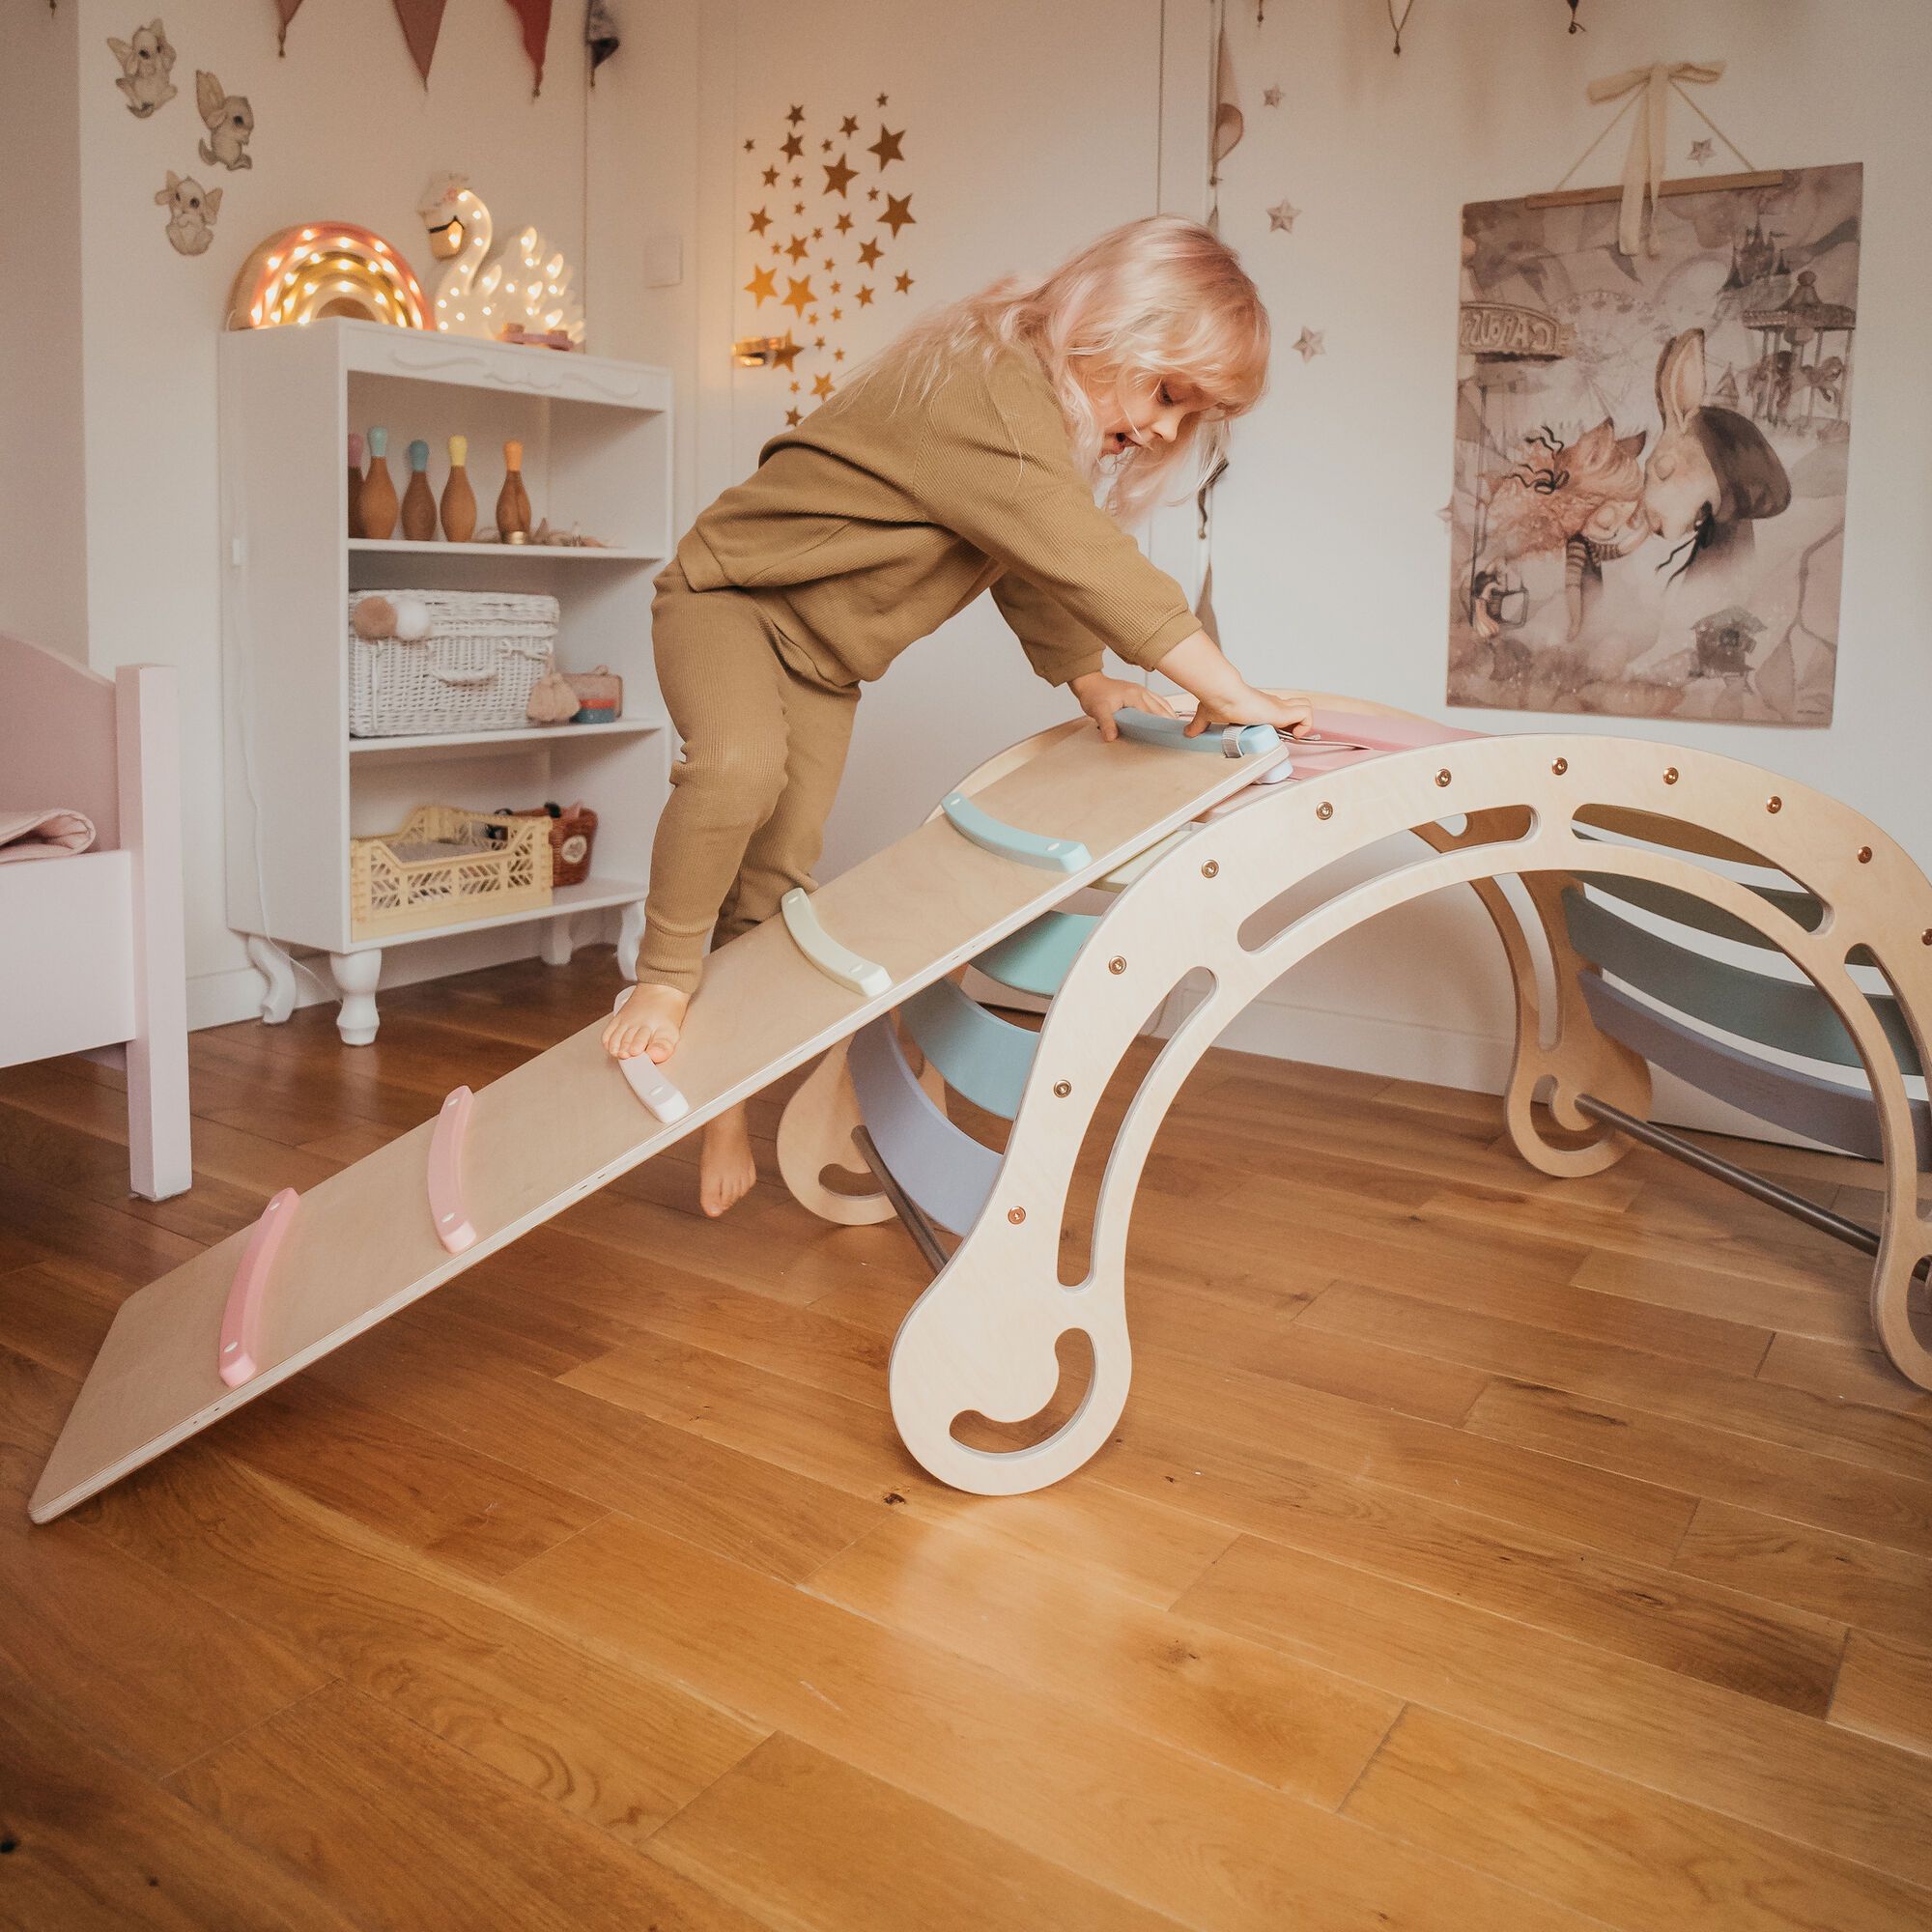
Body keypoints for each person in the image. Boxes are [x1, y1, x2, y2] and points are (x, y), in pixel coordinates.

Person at [604, 213, 1309, 1214]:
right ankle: (661, 978)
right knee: (735, 771)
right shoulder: (983, 382)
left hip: (824, 663)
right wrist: (1225, 686)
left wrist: (1085, 674)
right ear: (1112, 327)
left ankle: (720, 1095)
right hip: (732, 597)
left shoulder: (1032, 431)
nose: (1162, 430)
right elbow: (1084, 558)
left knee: (776, 869)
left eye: (1189, 417)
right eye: (1164, 393)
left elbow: (1021, 558)